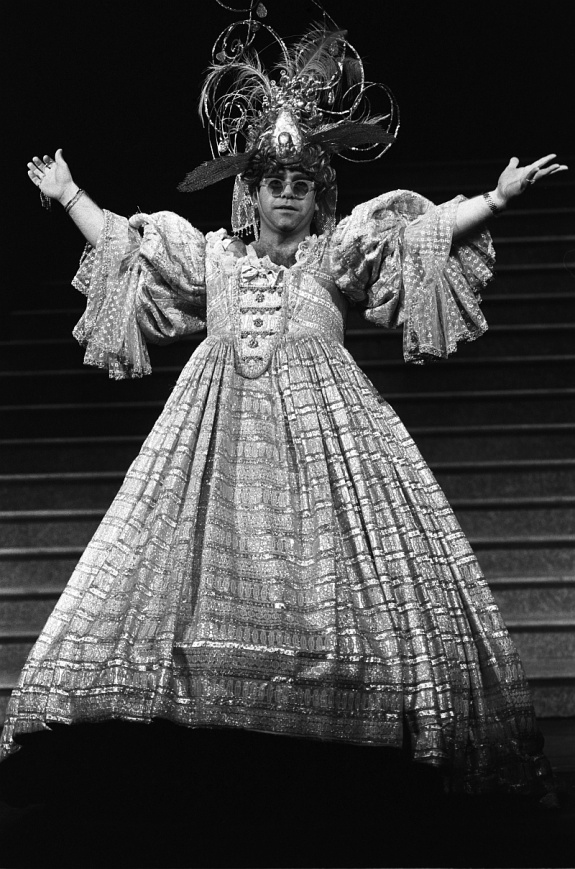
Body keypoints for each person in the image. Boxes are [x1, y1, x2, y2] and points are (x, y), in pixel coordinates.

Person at [0, 12, 569, 866]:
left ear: (318, 195)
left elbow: (416, 235)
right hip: (214, 432)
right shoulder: (213, 258)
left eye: (302, 182)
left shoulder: (335, 253)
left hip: (325, 433)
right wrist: (72, 195)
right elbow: (132, 247)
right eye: (273, 182)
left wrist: (493, 198)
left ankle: (353, 741)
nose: (288, 195)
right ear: (251, 192)